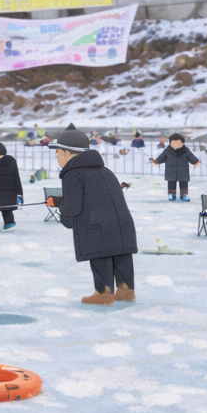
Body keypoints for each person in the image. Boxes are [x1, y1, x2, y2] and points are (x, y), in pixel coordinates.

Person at [47, 127, 137, 305]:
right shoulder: (105, 171)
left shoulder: (72, 174)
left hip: (96, 228)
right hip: (122, 225)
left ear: (66, 152)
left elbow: (73, 206)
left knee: (101, 257)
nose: (56, 156)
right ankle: (126, 290)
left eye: (57, 152)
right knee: (121, 256)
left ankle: (104, 293)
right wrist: (58, 201)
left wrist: (60, 208)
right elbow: (93, 196)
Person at [152, 133, 200, 201]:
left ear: (182, 142)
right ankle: (172, 194)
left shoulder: (186, 151)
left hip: (183, 170)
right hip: (171, 170)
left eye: (177, 142)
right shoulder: (167, 150)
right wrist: (157, 161)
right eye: (173, 142)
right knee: (171, 182)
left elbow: (191, 157)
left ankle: (183, 194)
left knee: (183, 183)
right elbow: (162, 157)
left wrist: (195, 161)